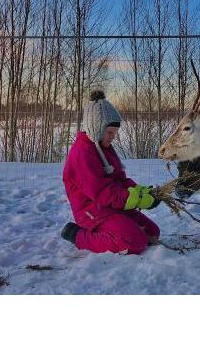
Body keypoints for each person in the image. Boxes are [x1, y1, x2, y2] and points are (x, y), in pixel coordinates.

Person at [61, 90, 161, 255]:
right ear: (95, 128)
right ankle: (78, 235)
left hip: (112, 208)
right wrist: (134, 199)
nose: (113, 137)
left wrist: (143, 192)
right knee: (135, 242)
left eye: (114, 133)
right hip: (93, 212)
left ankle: (117, 229)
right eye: (110, 132)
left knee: (152, 232)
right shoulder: (82, 153)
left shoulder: (104, 148)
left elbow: (120, 179)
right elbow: (102, 192)